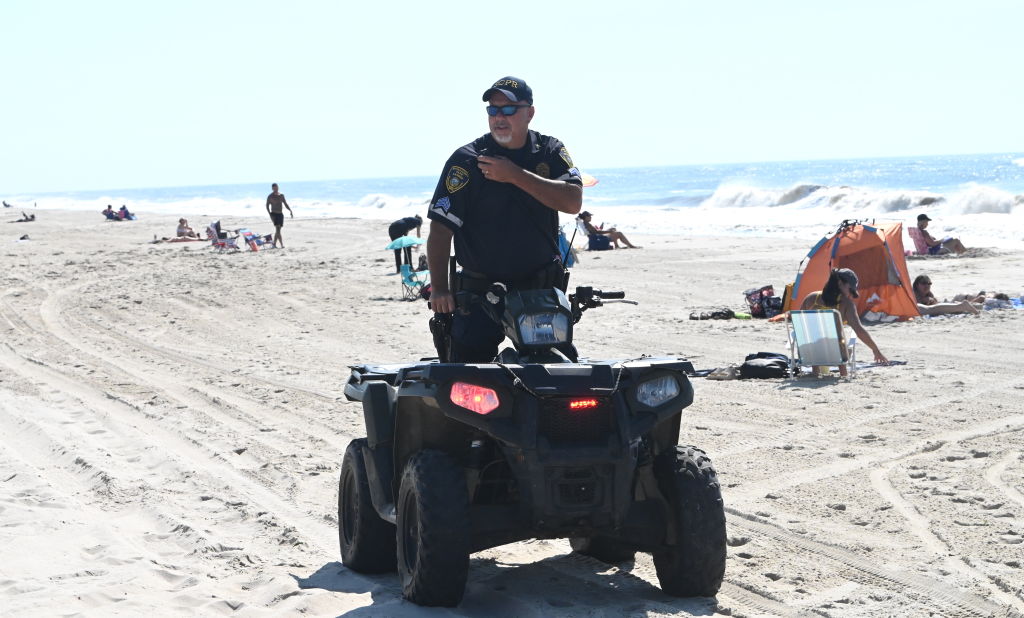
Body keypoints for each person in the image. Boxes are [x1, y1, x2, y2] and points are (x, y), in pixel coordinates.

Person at [427, 76, 583, 362]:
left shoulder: (549, 151)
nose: (499, 117)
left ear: (529, 113)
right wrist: (439, 289)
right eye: (493, 110)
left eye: (509, 110)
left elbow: (573, 201)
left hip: (539, 290)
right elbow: (440, 228)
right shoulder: (467, 160)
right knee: (466, 379)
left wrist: (514, 175)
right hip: (480, 294)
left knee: (559, 372)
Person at [801, 268, 888, 372]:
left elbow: (800, 324)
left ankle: (815, 372)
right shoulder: (846, 305)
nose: (850, 294)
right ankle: (843, 372)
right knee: (843, 347)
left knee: (815, 339)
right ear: (840, 283)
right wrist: (875, 350)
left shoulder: (810, 298)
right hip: (835, 355)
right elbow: (859, 330)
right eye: (850, 290)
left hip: (808, 353)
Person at [912, 275, 980, 316]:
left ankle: (964, 306)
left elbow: (936, 304)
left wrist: (932, 301)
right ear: (917, 285)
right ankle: (964, 306)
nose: (927, 285)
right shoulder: (913, 293)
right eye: (924, 283)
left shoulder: (929, 294)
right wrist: (922, 300)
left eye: (929, 283)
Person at [265, 183, 293, 248]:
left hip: (280, 214)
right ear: (272, 188)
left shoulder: (281, 195)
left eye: (276, 187)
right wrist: (270, 214)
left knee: (278, 230)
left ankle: (274, 244)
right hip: (274, 214)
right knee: (278, 230)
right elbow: (267, 205)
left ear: (278, 187)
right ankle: (281, 244)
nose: (275, 189)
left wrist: (290, 210)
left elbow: (285, 204)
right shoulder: (270, 196)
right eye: (274, 188)